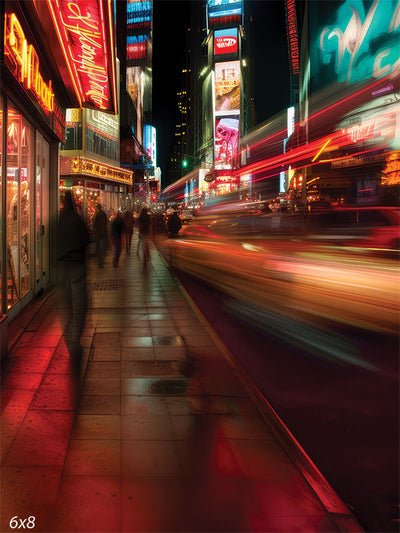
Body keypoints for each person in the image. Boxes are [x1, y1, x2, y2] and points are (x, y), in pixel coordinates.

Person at [58, 190, 90, 392]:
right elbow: (87, 238)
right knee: (80, 308)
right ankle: (74, 341)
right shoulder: (77, 220)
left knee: (66, 308)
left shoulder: (58, 220)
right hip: (77, 266)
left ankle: (70, 342)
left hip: (61, 269)